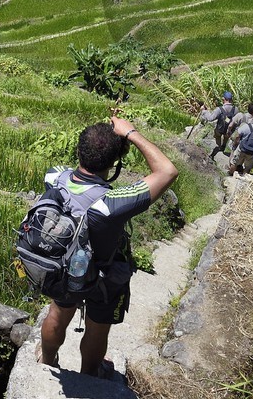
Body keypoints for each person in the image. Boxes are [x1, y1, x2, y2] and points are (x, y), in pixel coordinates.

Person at [39, 116, 178, 378]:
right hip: (103, 276)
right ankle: (90, 373)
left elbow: (76, 176)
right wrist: (131, 134)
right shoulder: (110, 203)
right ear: (114, 163)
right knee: (97, 329)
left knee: (57, 313)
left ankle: (47, 359)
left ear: (79, 151)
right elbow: (167, 172)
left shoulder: (54, 176)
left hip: (63, 267)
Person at [228, 110, 253, 177]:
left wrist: (235, 144)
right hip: (251, 152)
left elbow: (237, 136)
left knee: (234, 163)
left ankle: (230, 175)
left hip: (241, 148)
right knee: (248, 167)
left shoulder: (246, 126)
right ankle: (244, 178)